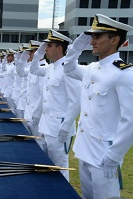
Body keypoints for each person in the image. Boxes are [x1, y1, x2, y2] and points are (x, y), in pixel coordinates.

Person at [63, 14, 133, 198]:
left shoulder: (124, 73)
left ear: (114, 40)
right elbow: (68, 68)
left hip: (104, 155)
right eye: (92, 37)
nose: (93, 41)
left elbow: (131, 120)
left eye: (98, 36)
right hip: (85, 149)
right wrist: (76, 47)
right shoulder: (92, 69)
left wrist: (114, 156)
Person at [30, 30, 81, 181]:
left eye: (49, 46)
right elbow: (34, 70)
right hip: (46, 125)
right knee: (46, 166)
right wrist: (38, 55)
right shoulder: (51, 68)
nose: (46, 49)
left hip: (58, 128)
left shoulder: (68, 68)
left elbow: (76, 101)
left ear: (59, 48)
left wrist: (66, 126)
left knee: (59, 168)